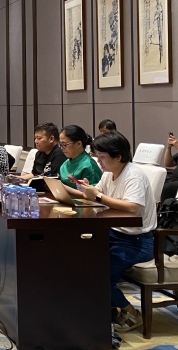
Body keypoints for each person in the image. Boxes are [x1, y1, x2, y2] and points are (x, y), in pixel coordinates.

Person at [62, 131, 156, 332]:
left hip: (136, 241)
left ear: (118, 156)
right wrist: (81, 189)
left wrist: (97, 196)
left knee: (97, 273)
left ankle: (132, 312)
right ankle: (103, 309)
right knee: (78, 259)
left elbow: (132, 207)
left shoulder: (134, 175)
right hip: (114, 234)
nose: (99, 162)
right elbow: (95, 195)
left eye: (102, 157)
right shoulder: (108, 173)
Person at [161, 133, 178, 202]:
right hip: (173, 178)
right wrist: (168, 148)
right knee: (159, 181)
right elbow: (168, 163)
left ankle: (165, 207)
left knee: (168, 187)